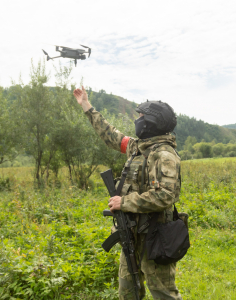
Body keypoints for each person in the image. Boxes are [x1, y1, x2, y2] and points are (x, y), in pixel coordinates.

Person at [73, 86, 182, 300]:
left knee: (163, 293)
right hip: (131, 233)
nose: (138, 120)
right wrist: (87, 106)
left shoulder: (164, 155)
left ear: (153, 122)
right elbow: (111, 135)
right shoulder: (137, 147)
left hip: (156, 235)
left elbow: (165, 196)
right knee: (128, 291)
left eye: (141, 117)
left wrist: (125, 202)